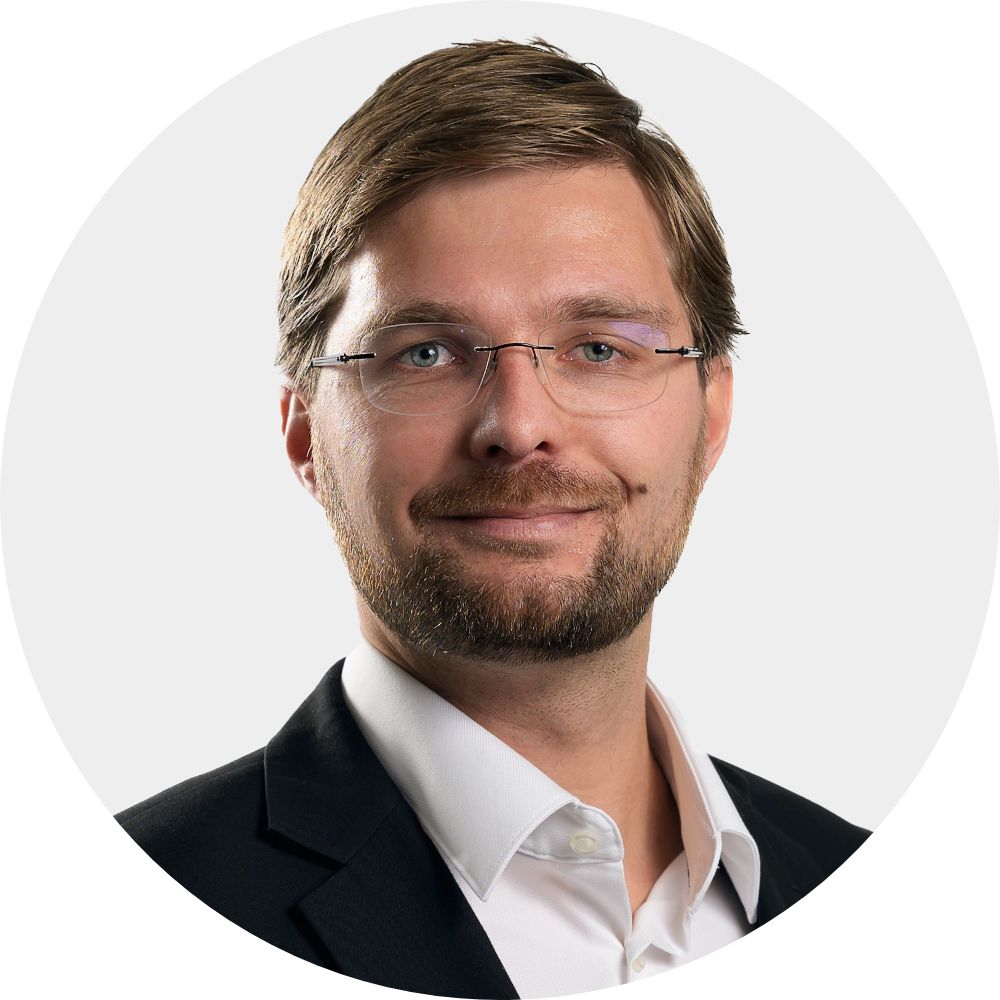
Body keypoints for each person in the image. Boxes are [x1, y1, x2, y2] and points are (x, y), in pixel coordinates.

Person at [116, 38, 869, 998]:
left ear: (712, 415)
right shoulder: (130, 913)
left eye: (599, 348)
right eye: (425, 353)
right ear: (306, 435)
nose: (518, 427)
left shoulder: (875, 893)